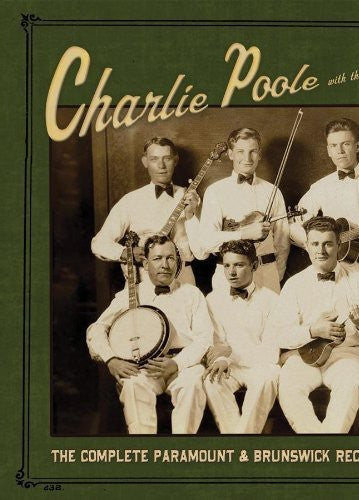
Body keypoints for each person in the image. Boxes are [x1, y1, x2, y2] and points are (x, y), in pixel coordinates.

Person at [289, 118, 359, 434]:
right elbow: (293, 225)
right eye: (333, 145)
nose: (340, 151)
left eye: (346, 144)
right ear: (327, 149)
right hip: (333, 271)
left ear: (358, 145)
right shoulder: (320, 187)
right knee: (336, 345)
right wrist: (318, 245)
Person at [267, 216, 359, 433]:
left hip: (345, 355)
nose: (321, 250)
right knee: (289, 388)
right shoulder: (294, 285)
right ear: (306, 245)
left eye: (328, 244)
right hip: (304, 355)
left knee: (351, 385)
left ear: (339, 245)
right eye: (315, 244)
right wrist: (313, 330)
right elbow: (280, 335)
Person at [86, 235, 213, 434]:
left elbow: (204, 338)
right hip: (144, 366)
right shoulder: (131, 294)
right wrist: (111, 359)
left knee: (192, 385)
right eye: (157, 258)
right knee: (133, 385)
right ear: (146, 264)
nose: (165, 265)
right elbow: (97, 328)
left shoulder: (192, 294)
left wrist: (176, 363)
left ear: (178, 262)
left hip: (183, 365)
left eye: (170, 258)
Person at [91, 136, 203, 285]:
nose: (161, 165)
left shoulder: (191, 198)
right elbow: (99, 243)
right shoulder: (131, 200)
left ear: (175, 160)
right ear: (145, 162)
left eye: (167, 158)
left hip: (183, 278)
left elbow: (203, 252)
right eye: (154, 159)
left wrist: (190, 216)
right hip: (144, 280)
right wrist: (126, 253)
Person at [198, 127, 290, 294]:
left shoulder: (273, 191)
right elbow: (207, 240)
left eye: (252, 151)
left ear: (259, 154)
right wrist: (243, 234)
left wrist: (275, 275)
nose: (247, 158)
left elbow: (282, 243)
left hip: (267, 275)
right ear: (230, 154)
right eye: (240, 151)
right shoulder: (215, 191)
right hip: (229, 277)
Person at [203, 239, 280, 434]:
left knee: (267, 378)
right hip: (230, 366)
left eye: (239, 265)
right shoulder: (213, 299)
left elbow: (270, 353)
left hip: (260, 366)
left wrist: (229, 354)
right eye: (227, 265)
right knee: (212, 381)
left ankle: (240, 441)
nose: (232, 272)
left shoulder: (272, 300)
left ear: (254, 265)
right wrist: (222, 358)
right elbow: (217, 343)